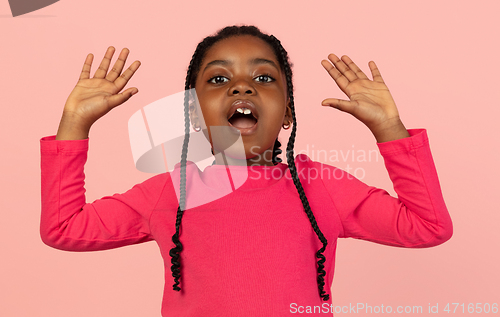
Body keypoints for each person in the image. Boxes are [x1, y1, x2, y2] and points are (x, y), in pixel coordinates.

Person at [40, 25, 453, 316]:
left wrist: (389, 130)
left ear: (287, 111)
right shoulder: (170, 191)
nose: (242, 87)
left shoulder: (320, 187)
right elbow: (64, 228)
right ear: (193, 113)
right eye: (219, 78)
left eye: (263, 77)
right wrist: (75, 124)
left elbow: (428, 225)